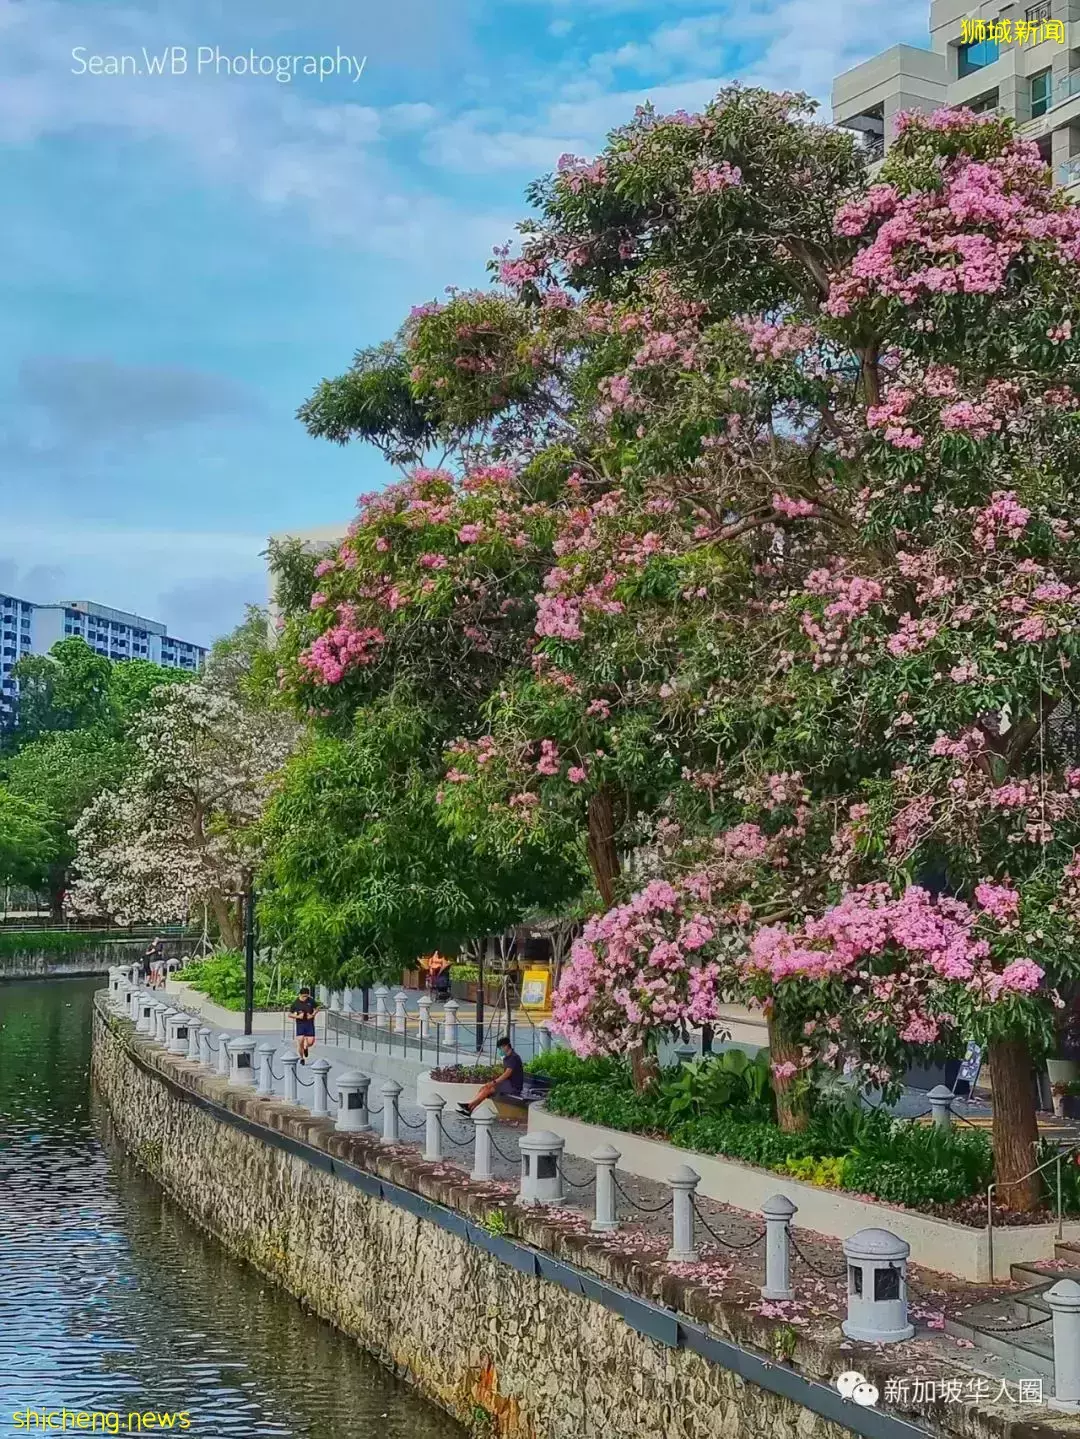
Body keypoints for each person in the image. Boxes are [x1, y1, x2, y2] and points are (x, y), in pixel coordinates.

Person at [458, 1036, 524, 1116]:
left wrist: (494, 1082)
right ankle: (470, 1108)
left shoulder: (513, 1057)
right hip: (507, 1083)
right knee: (484, 1088)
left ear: (506, 1046)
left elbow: (507, 1074)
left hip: (513, 1086)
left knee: (488, 1089)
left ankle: (469, 1106)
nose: (500, 1050)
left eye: (501, 1048)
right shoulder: (507, 1058)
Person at [288, 986, 319, 1063]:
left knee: (310, 1042)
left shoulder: (311, 1001)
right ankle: (301, 1058)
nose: (305, 998)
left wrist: (313, 1015)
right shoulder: (296, 1003)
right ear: (300, 995)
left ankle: (306, 1047)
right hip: (300, 1024)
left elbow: (317, 1008)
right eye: (304, 996)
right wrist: (297, 1016)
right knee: (300, 1041)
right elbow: (289, 1014)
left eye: (307, 996)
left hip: (309, 1023)